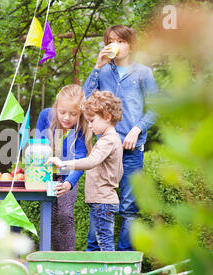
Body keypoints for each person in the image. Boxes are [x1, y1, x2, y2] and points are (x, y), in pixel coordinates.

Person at [82, 25, 158, 251]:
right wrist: (96, 66)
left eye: (121, 41)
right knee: (98, 204)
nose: (116, 45)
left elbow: (154, 109)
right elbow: (86, 100)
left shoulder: (144, 73)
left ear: (131, 44)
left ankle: (124, 259)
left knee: (128, 207)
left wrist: (137, 129)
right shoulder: (103, 72)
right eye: (111, 41)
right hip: (104, 148)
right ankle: (94, 257)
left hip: (133, 150)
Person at [47, 90, 123, 251]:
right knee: (98, 242)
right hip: (100, 202)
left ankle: (110, 273)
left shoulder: (107, 141)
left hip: (103, 202)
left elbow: (90, 161)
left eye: (92, 120)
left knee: (104, 244)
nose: (89, 125)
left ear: (107, 117)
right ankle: (102, 273)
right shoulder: (109, 139)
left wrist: (63, 164)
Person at [34, 84, 92, 251]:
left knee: (65, 214)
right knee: (50, 215)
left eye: (73, 114)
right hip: (47, 173)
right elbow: (39, 144)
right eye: (62, 112)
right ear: (56, 108)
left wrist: (68, 183)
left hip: (68, 175)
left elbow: (81, 160)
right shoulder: (46, 116)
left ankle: (67, 256)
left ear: (80, 113)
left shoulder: (81, 127)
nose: (67, 117)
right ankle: (51, 255)